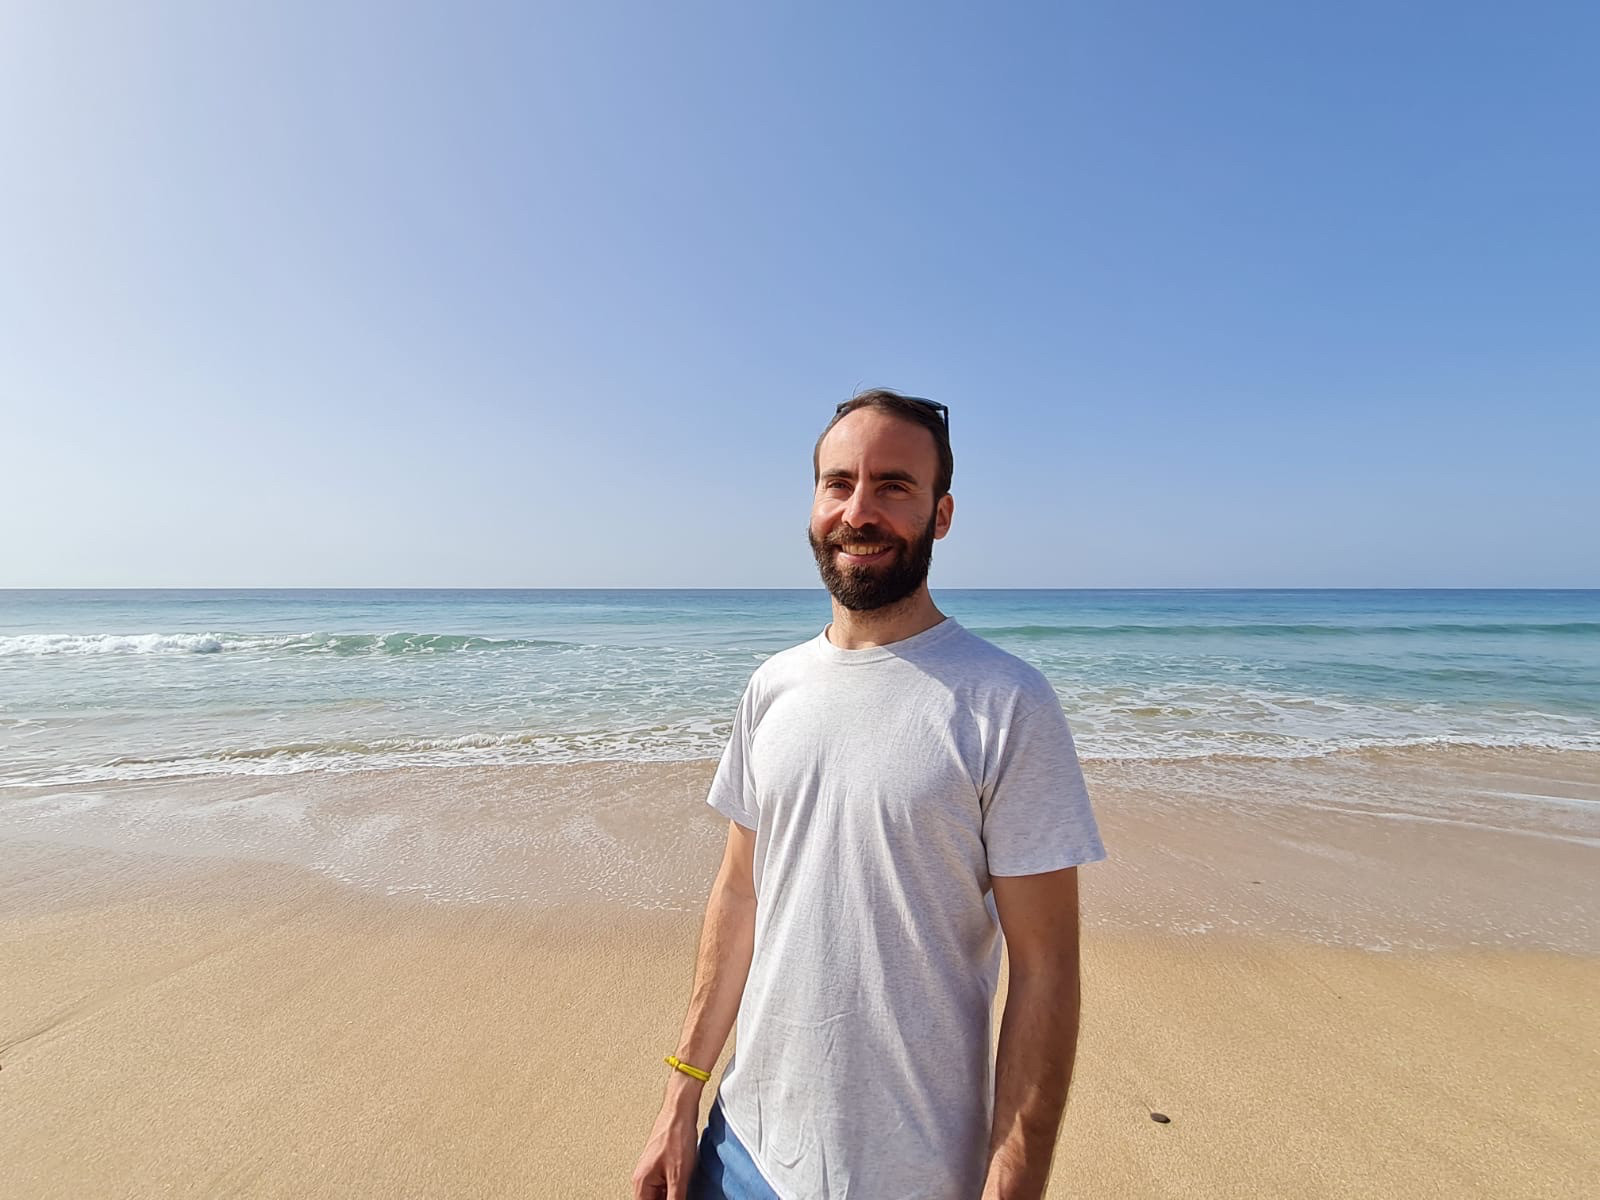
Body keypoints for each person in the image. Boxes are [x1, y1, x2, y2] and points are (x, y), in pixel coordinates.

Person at [632, 391, 1105, 1200]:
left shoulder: (1005, 701)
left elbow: (1046, 969)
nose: (859, 512)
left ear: (940, 515)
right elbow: (740, 893)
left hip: (914, 1172)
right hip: (741, 1149)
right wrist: (681, 1094)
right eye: (839, 483)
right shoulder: (773, 686)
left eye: (893, 486)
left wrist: (1013, 1183)